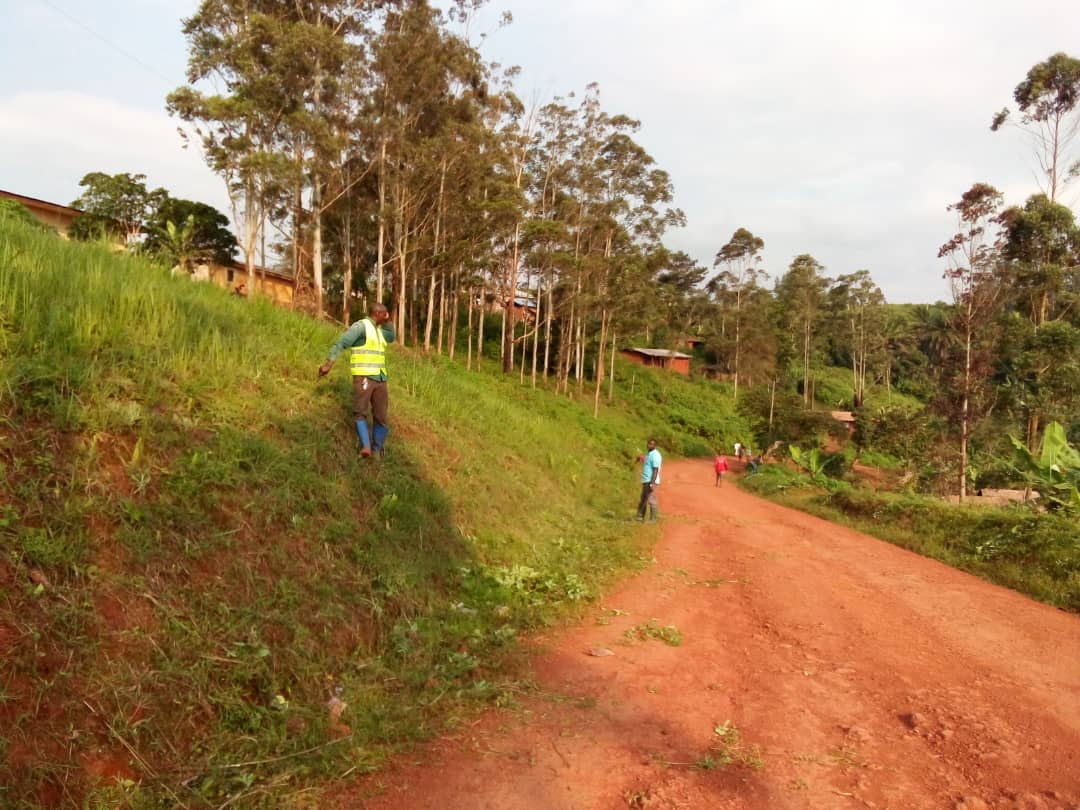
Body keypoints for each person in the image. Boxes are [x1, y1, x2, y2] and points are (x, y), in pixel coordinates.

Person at [318, 303, 395, 458]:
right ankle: (366, 447)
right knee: (360, 412)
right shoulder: (361, 327)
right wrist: (328, 364)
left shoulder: (379, 331)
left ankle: (377, 450)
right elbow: (341, 343)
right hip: (364, 377)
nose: (387, 316)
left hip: (380, 379)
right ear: (378, 314)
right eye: (385, 314)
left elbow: (391, 337)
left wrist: (387, 320)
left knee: (381, 416)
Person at [636, 438, 662, 522]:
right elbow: (647, 462)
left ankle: (653, 519)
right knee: (643, 498)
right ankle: (640, 516)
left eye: (651, 444)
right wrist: (641, 458)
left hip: (651, 481)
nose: (649, 445)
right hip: (646, 480)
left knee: (651, 499)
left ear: (655, 445)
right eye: (648, 443)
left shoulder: (656, 455)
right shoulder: (649, 454)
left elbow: (655, 469)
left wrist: (652, 483)